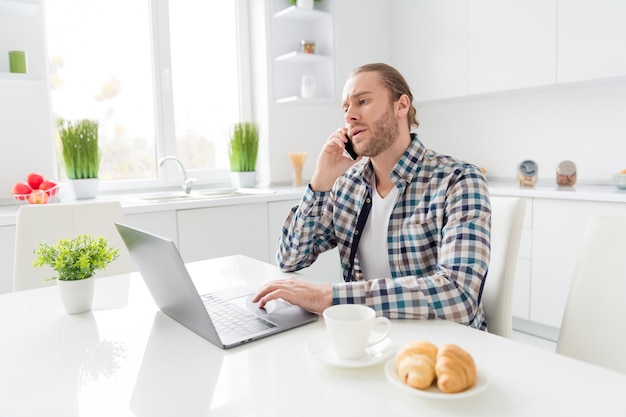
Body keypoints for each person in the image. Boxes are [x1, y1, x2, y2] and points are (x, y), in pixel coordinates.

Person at [253, 63, 491, 330]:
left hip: (441, 347)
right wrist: (320, 183)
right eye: (345, 108)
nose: (350, 116)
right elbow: (290, 258)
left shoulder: (458, 179)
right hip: (371, 338)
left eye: (362, 101)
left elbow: (459, 295)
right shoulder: (346, 186)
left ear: (401, 106)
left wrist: (329, 296)